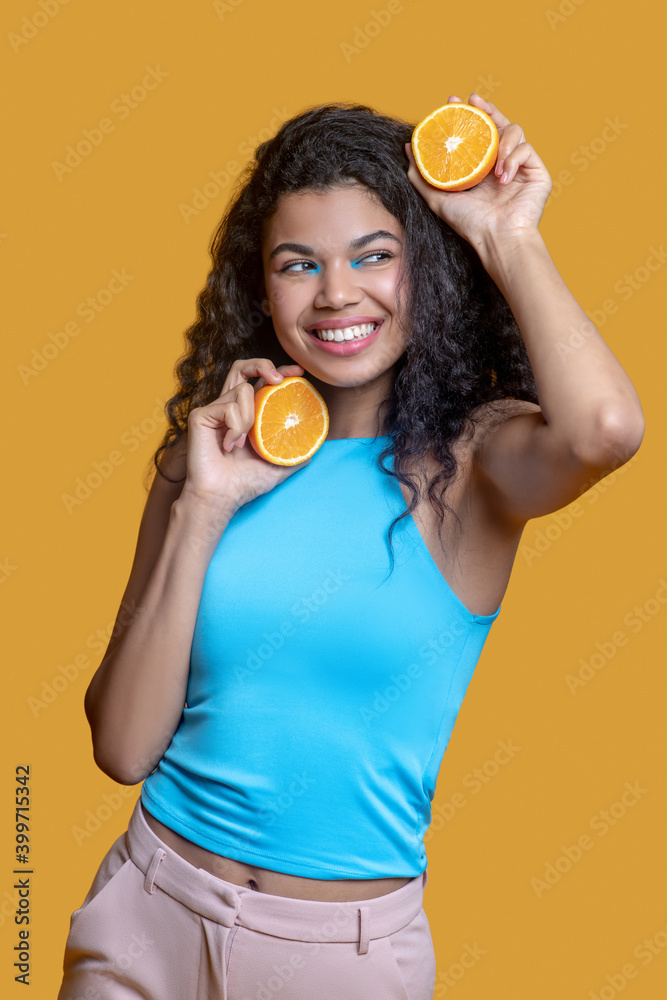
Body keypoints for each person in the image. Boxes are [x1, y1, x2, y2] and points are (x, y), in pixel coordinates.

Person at [57, 95, 644, 1000]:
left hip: (338, 962)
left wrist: (506, 233)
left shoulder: (471, 463)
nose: (336, 294)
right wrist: (202, 505)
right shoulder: (212, 457)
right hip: (147, 914)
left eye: (374, 256)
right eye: (300, 265)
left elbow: (605, 429)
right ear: (263, 287)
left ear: (429, 268)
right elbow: (123, 746)